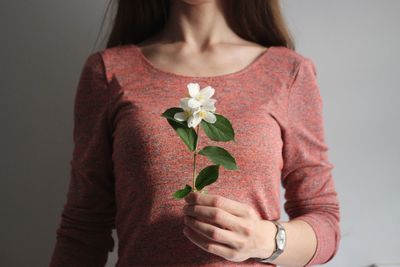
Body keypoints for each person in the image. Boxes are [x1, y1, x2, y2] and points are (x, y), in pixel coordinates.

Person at [49, 0, 341, 266]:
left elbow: (324, 220)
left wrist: (263, 240)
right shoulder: (109, 71)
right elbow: (84, 228)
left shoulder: (288, 72)